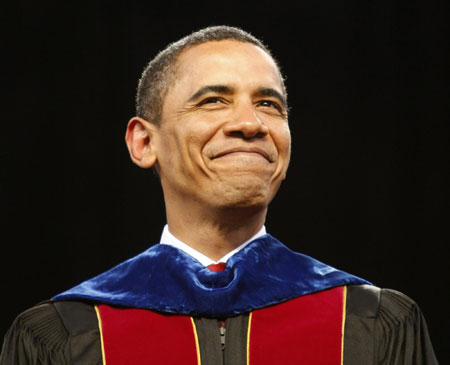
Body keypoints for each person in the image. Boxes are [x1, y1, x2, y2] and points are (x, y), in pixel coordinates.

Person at [1, 26, 438, 365]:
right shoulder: (65, 332)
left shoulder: (369, 320)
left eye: (270, 104)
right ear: (143, 143)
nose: (250, 123)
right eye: (213, 100)